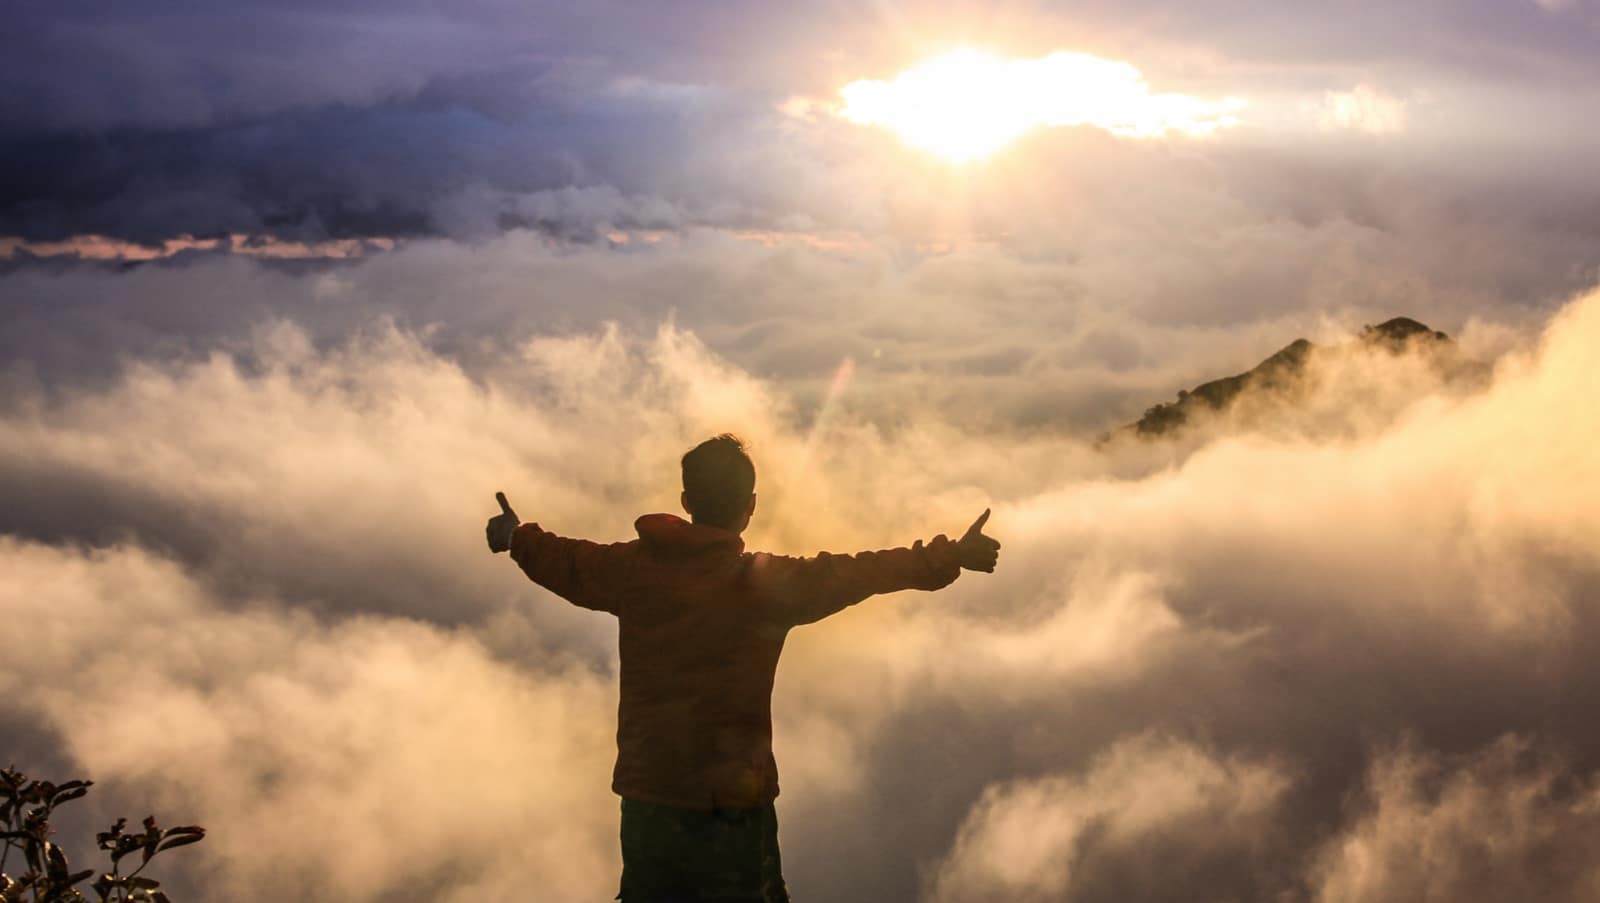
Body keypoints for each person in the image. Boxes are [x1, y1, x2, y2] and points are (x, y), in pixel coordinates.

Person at [485, 434, 1000, 902]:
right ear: (750, 508)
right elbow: (858, 571)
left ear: (686, 503)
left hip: (650, 805)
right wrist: (950, 554)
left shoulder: (631, 571)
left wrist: (514, 535)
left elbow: (564, 559)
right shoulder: (765, 588)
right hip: (735, 808)